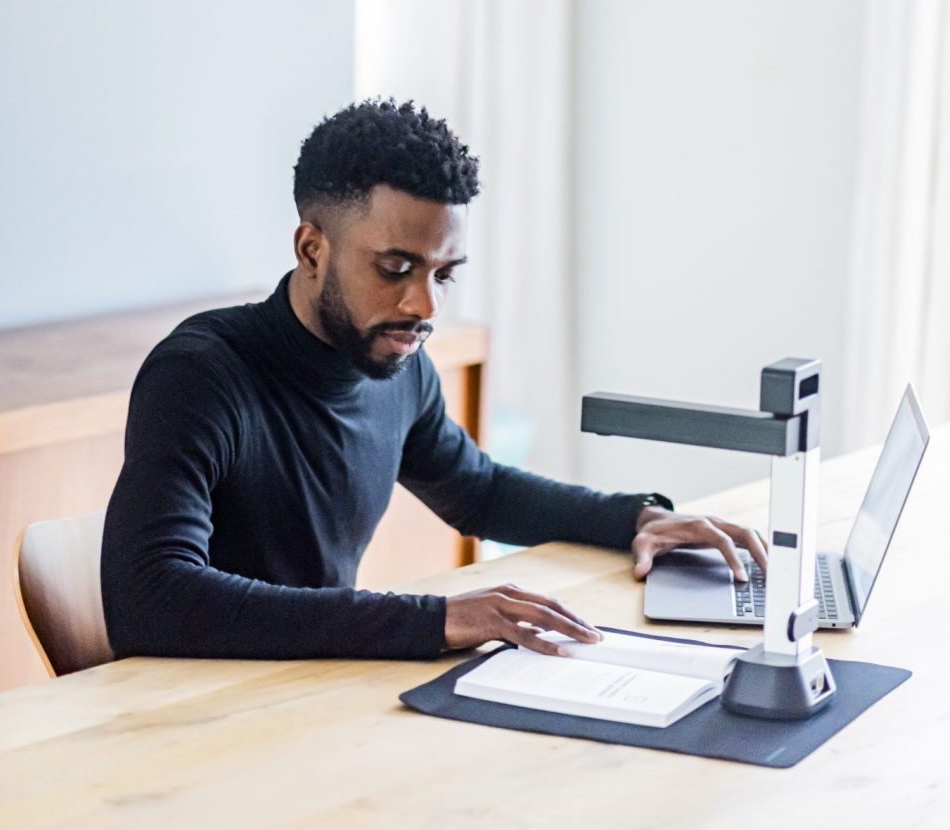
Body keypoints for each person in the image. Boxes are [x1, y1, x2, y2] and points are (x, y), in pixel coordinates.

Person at [101, 100, 767, 662]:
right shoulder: (202, 376)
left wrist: (638, 519)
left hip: (306, 692)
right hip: (193, 716)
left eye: (443, 274)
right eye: (395, 268)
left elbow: (477, 489)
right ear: (311, 250)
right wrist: (434, 619)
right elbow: (153, 601)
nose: (426, 308)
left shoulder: (396, 366)